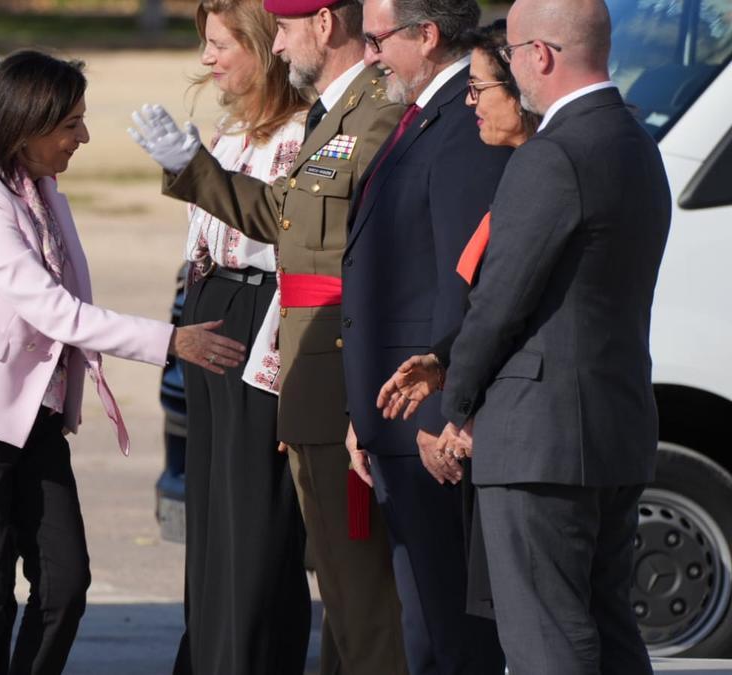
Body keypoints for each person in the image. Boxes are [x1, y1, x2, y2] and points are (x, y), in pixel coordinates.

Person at [0, 50, 245, 675]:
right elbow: (54, 311)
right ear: (28, 125)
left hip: (31, 413)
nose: (83, 138)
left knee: (65, 583)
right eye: (72, 125)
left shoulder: (38, 188)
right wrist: (171, 341)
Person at [130, 1, 408, 673]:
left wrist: (275, 369)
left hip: (288, 352)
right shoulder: (293, 122)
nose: (210, 59)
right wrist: (194, 165)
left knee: (293, 559)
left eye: (278, 32)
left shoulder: (346, 120)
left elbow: (305, 253)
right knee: (241, 548)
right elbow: (259, 224)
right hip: (245, 345)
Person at [437, 0, 671, 671]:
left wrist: (458, 403)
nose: (509, 68)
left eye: (510, 54)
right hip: (614, 424)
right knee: (609, 629)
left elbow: (499, 301)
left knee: (547, 637)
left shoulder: (553, 155)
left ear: (540, 54)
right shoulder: (636, 141)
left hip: (539, 441)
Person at [134, 1, 314, 672]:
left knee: (252, 528)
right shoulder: (236, 128)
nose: (207, 60)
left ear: (263, 49)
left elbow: (282, 237)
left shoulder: (303, 132)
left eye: (219, 45)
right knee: (211, 523)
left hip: (257, 322)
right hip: (211, 314)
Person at [340, 0, 512, 671]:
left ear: (428, 35)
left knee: (449, 636)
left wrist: (446, 416)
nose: (370, 54)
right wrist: (364, 411)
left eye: (378, 39)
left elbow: (462, 285)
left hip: (428, 428)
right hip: (395, 414)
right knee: (424, 627)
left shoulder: (464, 127)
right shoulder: (420, 116)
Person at [374, 18, 541, 620]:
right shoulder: (520, 168)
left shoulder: (535, 171)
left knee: (534, 629)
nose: (471, 103)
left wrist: (455, 411)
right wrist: (441, 362)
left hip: (524, 431)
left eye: (481, 89)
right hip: (491, 411)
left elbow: (505, 311)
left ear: (520, 89)